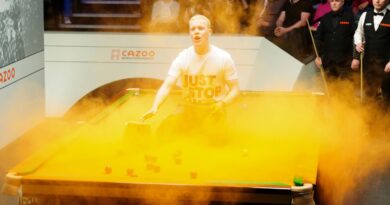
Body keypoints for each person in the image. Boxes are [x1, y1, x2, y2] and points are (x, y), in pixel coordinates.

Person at [141, 15, 240, 137]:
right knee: (163, 132)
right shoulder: (183, 58)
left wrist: (222, 103)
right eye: (193, 29)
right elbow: (167, 86)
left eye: (200, 28)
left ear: (209, 32)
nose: (196, 32)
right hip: (188, 108)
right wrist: (155, 107)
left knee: (215, 140)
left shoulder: (224, 58)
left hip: (213, 108)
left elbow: (235, 89)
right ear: (190, 33)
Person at [351, 0, 390, 105]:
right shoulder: (364, 15)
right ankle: (368, 120)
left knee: (387, 98)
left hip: (386, 64)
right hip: (368, 63)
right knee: (369, 96)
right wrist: (358, 43)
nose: (377, 1)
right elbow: (358, 32)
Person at [315, 0, 356, 79]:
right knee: (330, 89)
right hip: (328, 62)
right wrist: (317, 56)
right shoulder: (325, 18)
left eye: (337, 1)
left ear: (343, 2)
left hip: (345, 62)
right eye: (332, 1)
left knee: (346, 89)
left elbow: (356, 39)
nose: (334, 3)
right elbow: (318, 39)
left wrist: (355, 58)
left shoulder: (350, 17)